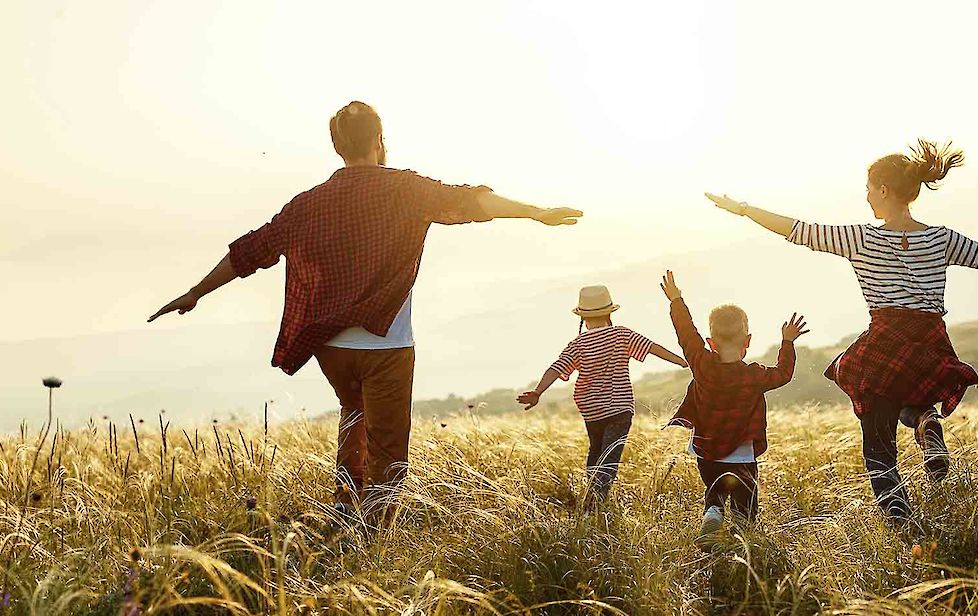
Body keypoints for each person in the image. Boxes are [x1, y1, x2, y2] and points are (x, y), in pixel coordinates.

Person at [148, 101, 583, 525]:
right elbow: (472, 202)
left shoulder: (308, 204)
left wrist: (195, 292)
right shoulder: (406, 190)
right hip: (387, 345)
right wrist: (536, 213)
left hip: (330, 347)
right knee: (389, 445)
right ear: (380, 140)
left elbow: (251, 251)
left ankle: (344, 503)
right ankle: (374, 533)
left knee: (353, 411)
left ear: (338, 146)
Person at [705, 138, 978, 525]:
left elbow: (796, 229)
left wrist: (742, 209)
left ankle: (901, 521)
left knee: (877, 442)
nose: (865, 197)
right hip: (930, 340)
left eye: (867, 189)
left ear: (883, 189)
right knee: (910, 398)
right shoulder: (941, 238)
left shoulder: (860, 237)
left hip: (885, 338)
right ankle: (925, 422)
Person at [658, 271, 803, 542]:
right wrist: (787, 342)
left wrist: (676, 300)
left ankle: (713, 511)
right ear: (747, 341)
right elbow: (784, 373)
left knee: (715, 492)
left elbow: (686, 333)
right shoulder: (754, 375)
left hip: (707, 451)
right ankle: (739, 545)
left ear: (710, 342)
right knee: (745, 506)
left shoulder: (701, 364)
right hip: (742, 455)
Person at [517, 285, 687, 508]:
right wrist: (683, 361)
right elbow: (653, 348)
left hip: (591, 411)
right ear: (609, 313)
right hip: (620, 408)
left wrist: (538, 392)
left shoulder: (578, 344)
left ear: (583, 317)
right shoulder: (622, 334)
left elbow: (556, 368)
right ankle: (594, 503)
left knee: (596, 451)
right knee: (609, 456)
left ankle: (591, 498)